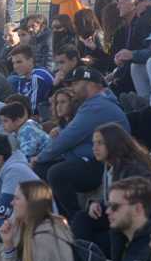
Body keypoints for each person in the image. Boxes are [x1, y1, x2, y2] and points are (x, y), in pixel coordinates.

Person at [34, 67, 130, 216]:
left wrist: (38, 157)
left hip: (106, 163)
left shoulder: (97, 106)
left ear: (90, 84)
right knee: (42, 168)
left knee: (56, 173)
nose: (72, 88)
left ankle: (75, 218)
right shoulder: (94, 103)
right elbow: (68, 137)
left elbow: (66, 139)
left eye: (75, 83)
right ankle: (57, 216)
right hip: (91, 159)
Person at [70, 122, 151, 256]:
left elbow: (138, 205)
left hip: (134, 221)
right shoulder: (110, 167)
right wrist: (95, 204)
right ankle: (84, 260)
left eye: (100, 143)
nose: (95, 148)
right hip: (115, 216)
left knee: (98, 233)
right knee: (81, 218)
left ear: (113, 143)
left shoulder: (132, 169)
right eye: (94, 143)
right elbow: (109, 200)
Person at [8, 45, 54, 117]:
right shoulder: (23, 76)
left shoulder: (38, 77)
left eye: (19, 62)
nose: (15, 66)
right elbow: (20, 103)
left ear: (30, 61)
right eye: (13, 63)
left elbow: (33, 109)